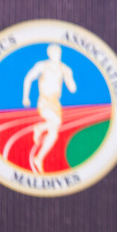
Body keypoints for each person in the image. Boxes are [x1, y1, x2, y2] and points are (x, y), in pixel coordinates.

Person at [22, 43, 75, 174]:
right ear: (49, 54)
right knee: (56, 122)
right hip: (44, 101)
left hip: (56, 103)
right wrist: (26, 97)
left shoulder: (65, 68)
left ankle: (39, 158)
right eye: (53, 52)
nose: (56, 55)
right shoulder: (42, 65)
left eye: (58, 52)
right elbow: (28, 78)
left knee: (53, 135)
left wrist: (69, 78)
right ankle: (39, 127)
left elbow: (72, 88)